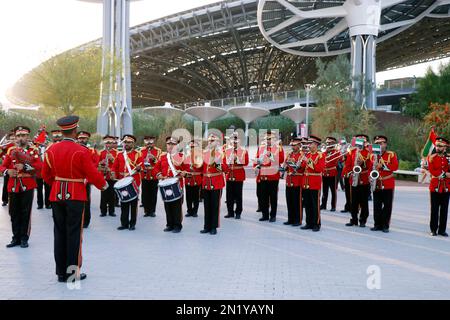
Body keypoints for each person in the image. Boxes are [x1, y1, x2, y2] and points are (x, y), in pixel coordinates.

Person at [42, 116, 108, 282]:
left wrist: (57, 184)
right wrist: (103, 185)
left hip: (56, 194)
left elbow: (46, 176)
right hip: (76, 195)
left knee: (59, 233)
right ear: (75, 130)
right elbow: (92, 173)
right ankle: (72, 273)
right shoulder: (82, 150)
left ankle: (61, 273)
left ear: (62, 131)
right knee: (74, 235)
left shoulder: (50, 150)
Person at [0, 126, 42, 248]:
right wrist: (7, 171)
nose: (20, 138)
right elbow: (2, 166)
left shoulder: (33, 150)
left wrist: (24, 167)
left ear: (27, 137)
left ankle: (24, 238)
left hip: (27, 185)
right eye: (18, 136)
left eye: (23, 136)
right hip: (13, 186)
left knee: (25, 213)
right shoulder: (10, 150)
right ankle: (15, 238)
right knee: (13, 213)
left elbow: (39, 167)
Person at [112, 135, 142, 231]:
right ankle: (124, 223)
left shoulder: (138, 154)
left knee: (133, 204)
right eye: (125, 142)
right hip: (122, 180)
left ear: (133, 144)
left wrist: (139, 168)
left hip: (133, 181)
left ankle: (132, 223)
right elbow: (114, 166)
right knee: (124, 202)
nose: (127, 144)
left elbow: (142, 166)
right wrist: (113, 173)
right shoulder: (120, 154)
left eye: (129, 142)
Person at [155, 137, 185, 232]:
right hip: (165, 184)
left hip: (176, 184)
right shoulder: (162, 157)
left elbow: (187, 169)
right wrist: (159, 174)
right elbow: (156, 168)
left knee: (177, 206)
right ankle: (169, 224)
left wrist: (184, 173)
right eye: (169, 144)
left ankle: (177, 225)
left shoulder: (181, 156)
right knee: (167, 205)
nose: (171, 146)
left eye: (173, 144)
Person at [254, 130, 284, 222]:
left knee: (273, 197)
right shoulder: (261, 147)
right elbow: (257, 158)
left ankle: (273, 215)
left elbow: (280, 160)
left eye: (270, 139)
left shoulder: (278, 148)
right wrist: (256, 165)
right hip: (263, 175)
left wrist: (270, 155)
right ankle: (265, 214)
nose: (268, 140)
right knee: (263, 197)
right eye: (266, 138)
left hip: (273, 176)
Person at [200, 133, 228, 235]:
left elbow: (226, 169)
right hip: (206, 182)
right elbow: (201, 167)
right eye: (209, 141)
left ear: (218, 142)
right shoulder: (204, 153)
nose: (210, 142)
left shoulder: (222, 154)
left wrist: (217, 164)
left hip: (216, 183)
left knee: (215, 206)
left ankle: (213, 227)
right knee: (206, 206)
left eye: (212, 140)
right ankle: (206, 226)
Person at [370, 135, 399, 233]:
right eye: (377, 143)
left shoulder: (391, 154)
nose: (380, 145)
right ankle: (377, 224)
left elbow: (395, 167)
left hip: (387, 183)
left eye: (382, 143)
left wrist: (382, 166)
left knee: (387, 206)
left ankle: (385, 225)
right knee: (376, 205)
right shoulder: (372, 155)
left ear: (385, 144)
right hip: (376, 182)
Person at [345, 134, 373, 228]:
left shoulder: (369, 152)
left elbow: (370, 165)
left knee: (364, 201)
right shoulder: (352, 152)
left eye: (362, 141)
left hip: (364, 179)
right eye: (359, 141)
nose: (360, 143)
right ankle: (354, 219)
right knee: (354, 201)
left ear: (365, 142)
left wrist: (363, 163)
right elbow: (348, 164)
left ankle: (363, 220)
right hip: (354, 178)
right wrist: (349, 173)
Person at [299, 135, 325, 232]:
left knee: (315, 205)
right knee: (307, 204)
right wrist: (298, 163)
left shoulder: (321, 155)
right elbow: (302, 168)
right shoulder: (308, 155)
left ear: (316, 145)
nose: (309, 145)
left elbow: (319, 169)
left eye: (311, 144)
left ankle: (316, 223)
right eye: (309, 143)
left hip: (314, 183)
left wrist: (308, 161)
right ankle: (309, 223)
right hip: (305, 183)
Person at [427, 137, 450, 237]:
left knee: (444, 209)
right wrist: (445, 174)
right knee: (434, 209)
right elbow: (432, 170)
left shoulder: (449, 158)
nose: (437, 147)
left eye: (440, 146)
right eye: (437, 145)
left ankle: (442, 230)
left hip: (446, 187)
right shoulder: (431, 157)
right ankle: (433, 229)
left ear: (445, 147)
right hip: (435, 186)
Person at [77, 131, 100, 228]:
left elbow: (95, 162)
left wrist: (87, 169)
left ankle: (86, 221)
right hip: (76, 179)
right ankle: (77, 220)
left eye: (84, 138)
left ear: (87, 139)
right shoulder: (75, 149)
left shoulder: (92, 150)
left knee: (86, 201)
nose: (82, 140)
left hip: (86, 179)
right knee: (76, 201)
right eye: (80, 138)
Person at [224, 132, 249, 219]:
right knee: (229, 195)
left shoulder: (243, 151)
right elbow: (224, 162)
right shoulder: (227, 151)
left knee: (238, 195)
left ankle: (238, 212)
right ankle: (230, 212)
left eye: (236, 142)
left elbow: (246, 162)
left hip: (238, 175)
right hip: (229, 175)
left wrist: (237, 158)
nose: (234, 143)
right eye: (233, 142)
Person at [283, 134, 304, 227]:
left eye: (294, 145)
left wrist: (294, 164)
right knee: (289, 201)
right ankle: (290, 218)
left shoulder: (302, 155)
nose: (292, 147)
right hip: (289, 180)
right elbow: (285, 165)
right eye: (292, 145)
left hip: (297, 179)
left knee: (297, 202)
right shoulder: (289, 154)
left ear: (299, 145)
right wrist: (285, 166)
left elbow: (302, 167)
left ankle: (298, 220)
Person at [140, 136, 161, 217]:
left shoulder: (158, 151)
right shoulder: (141, 151)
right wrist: (144, 161)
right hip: (144, 174)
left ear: (153, 142)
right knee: (145, 194)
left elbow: (159, 163)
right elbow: (139, 161)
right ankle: (146, 211)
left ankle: (152, 211)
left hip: (153, 174)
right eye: (147, 143)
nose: (149, 145)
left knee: (153, 194)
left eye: (150, 143)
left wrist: (154, 158)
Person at [182, 139, 203, 218]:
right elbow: (183, 166)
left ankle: (195, 211)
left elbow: (201, 167)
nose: (192, 148)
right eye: (191, 146)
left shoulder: (200, 156)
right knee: (188, 196)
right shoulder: (186, 156)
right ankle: (189, 210)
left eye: (193, 146)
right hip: (188, 178)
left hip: (197, 178)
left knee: (196, 197)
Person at [98, 135, 118, 217]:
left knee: (112, 194)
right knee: (103, 194)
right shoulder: (101, 153)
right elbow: (97, 166)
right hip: (104, 176)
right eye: (106, 143)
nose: (108, 145)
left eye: (109, 143)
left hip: (112, 176)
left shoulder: (117, 153)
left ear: (112, 143)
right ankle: (103, 211)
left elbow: (118, 165)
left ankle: (111, 211)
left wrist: (112, 159)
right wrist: (101, 163)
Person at [320, 136, 339, 212]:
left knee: (333, 191)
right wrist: (326, 151)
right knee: (324, 191)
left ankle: (333, 206)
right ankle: (323, 205)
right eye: (327, 143)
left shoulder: (336, 152)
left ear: (333, 143)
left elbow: (339, 160)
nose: (328, 144)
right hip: (325, 173)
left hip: (332, 173)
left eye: (330, 143)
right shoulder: (324, 152)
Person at [1, 131, 15, 206]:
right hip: (7, 169)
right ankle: (5, 200)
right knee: (6, 185)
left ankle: (13, 199)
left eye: (14, 138)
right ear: (9, 139)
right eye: (11, 138)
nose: (13, 140)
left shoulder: (18, 146)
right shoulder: (6, 146)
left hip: (16, 169)